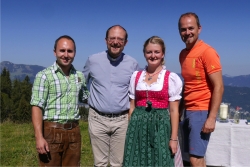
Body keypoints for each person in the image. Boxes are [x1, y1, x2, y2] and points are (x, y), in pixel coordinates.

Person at [83, 25, 139, 167]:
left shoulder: (133, 64)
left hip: (122, 120)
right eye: (112, 38)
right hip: (97, 118)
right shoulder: (93, 60)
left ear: (125, 43)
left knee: (118, 163)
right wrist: (85, 101)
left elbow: (137, 91)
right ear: (106, 40)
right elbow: (82, 83)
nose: (115, 42)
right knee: (100, 163)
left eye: (120, 39)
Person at [123, 36, 183, 167]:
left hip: (160, 127)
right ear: (144, 54)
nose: (153, 55)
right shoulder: (136, 76)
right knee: (136, 161)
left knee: (160, 160)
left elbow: (174, 111)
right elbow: (132, 107)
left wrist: (173, 138)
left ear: (163, 54)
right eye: (149, 52)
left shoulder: (171, 78)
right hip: (137, 126)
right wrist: (131, 129)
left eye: (157, 52)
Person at [30, 35, 89, 166]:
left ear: (75, 53)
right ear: (55, 52)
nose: (66, 55)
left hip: (74, 132)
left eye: (70, 51)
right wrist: (39, 137)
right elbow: (36, 107)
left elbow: (86, 98)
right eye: (62, 50)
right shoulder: (44, 76)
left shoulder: (79, 76)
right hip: (51, 132)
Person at [178, 12, 224, 167]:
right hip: (189, 111)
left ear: (199, 29)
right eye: (183, 29)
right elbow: (188, 85)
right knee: (194, 159)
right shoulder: (183, 54)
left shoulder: (207, 52)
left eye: (191, 28)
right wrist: (179, 110)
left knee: (195, 159)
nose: (187, 32)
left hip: (202, 110)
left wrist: (211, 118)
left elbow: (219, 86)